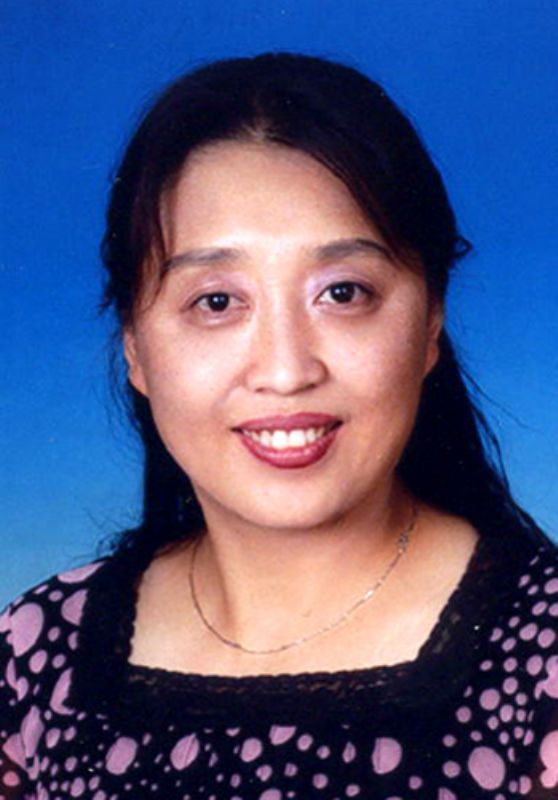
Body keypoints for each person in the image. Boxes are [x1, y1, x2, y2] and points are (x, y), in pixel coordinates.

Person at [1, 52, 557, 800]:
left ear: (431, 322)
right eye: (217, 302)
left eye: (343, 292)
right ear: (134, 346)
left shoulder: (544, 655)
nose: (287, 370)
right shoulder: (38, 656)